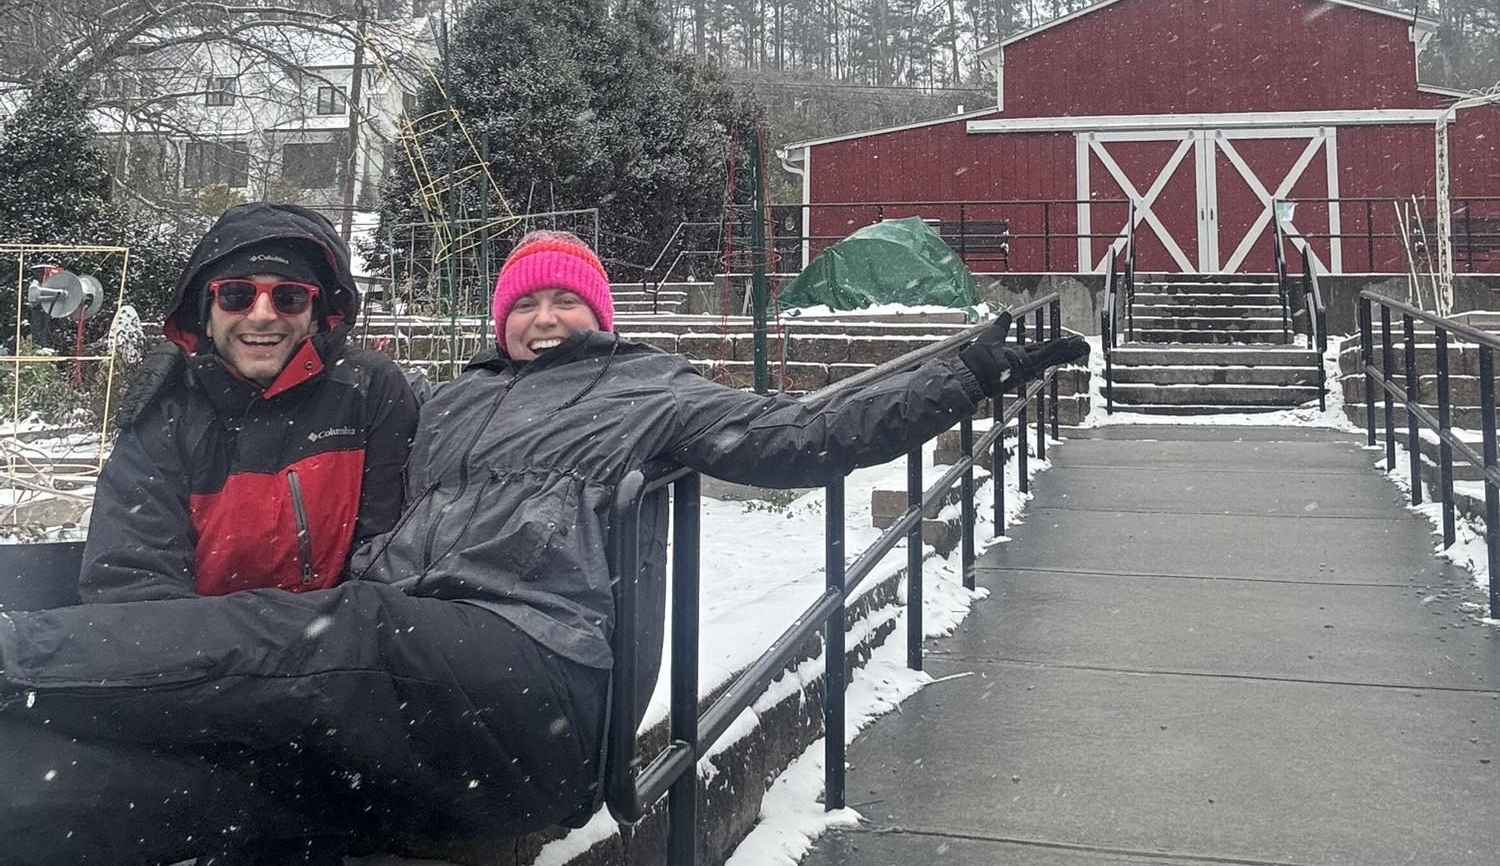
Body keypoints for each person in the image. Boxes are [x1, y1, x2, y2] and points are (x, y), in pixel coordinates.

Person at [0, 230, 1087, 865]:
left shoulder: (653, 389)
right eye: (528, 303)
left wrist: (964, 373)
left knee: (340, 632)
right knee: (241, 761)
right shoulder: (449, 404)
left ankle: (16, 658)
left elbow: (803, 439)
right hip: (421, 677)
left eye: (569, 297)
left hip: (537, 668)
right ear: (502, 319)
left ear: (600, 313)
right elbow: (329, 467)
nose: (547, 317)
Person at [80, 202, 422, 601]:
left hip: (337, 635)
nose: (261, 315)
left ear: (316, 316)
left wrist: (313, 632)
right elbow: (130, 584)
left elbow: (388, 561)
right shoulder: (166, 409)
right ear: (207, 316)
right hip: (197, 638)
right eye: (235, 295)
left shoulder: (368, 391)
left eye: (289, 297)